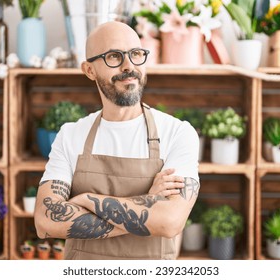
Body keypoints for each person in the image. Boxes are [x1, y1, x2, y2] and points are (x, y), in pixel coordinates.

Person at [34, 21, 200, 260]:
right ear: (89, 70)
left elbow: (170, 222)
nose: (128, 66)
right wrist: (150, 202)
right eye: (114, 56)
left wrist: (84, 201)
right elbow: (45, 220)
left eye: (136, 54)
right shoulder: (71, 135)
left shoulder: (177, 133)